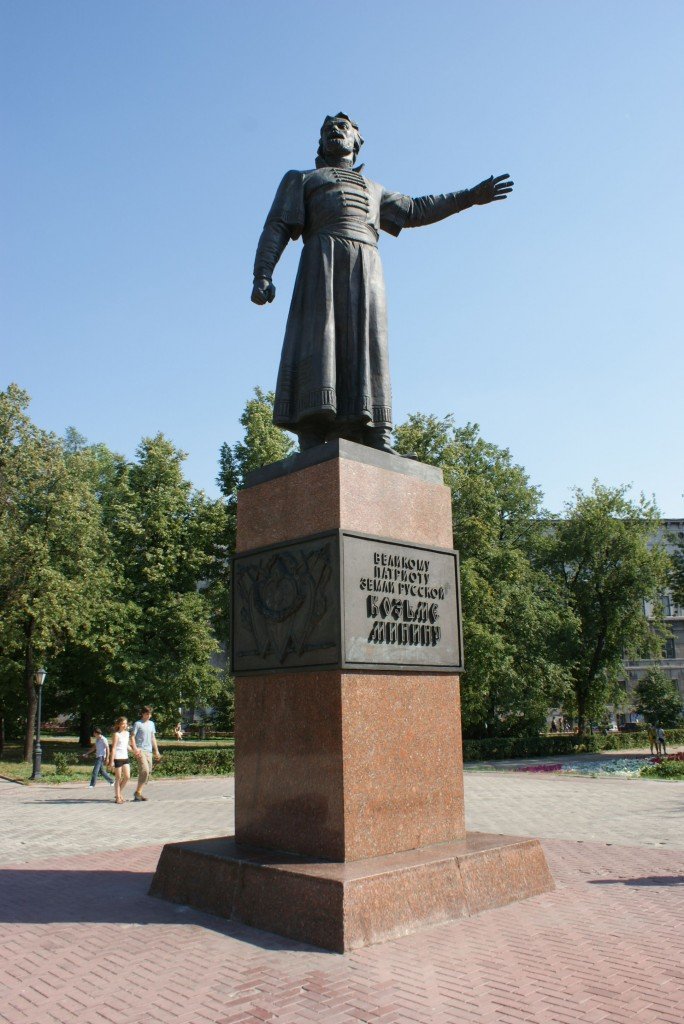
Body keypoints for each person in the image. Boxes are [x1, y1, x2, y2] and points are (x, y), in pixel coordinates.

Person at [252, 113, 513, 453]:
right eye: (327, 128)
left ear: (356, 142)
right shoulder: (302, 179)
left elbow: (417, 209)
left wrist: (469, 197)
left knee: (370, 345)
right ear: (320, 142)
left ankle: (377, 433)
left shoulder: (374, 189)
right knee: (319, 341)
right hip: (322, 263)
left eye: (343, 127)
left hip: (367, 269)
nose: (334, 130)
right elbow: (277, 226)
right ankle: (313, 432)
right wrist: (263, 273)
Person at [131, 706, 161, 802]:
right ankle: (138, 793)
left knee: (148, 771)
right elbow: (132, 737)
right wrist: (135, 748)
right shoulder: (138, 724)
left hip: (149, 751)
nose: (149, 716)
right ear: (142, 714)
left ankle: (138, 793)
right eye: (147, 714)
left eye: (150, 714)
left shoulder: (151, 724)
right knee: (145, 770)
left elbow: (153, 737)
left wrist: (156, 751)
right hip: (140, 750)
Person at [108, 717, 133, 805]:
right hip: (118, 758)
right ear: (119, 724)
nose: (124, 725)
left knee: (127, 776)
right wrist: (111, 761)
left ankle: (118, 793)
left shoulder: (127, 733)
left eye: (126, 723)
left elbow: (126, 745)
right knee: (118, 778)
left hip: (125, 757)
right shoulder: (116, 734)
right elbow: (114, 748)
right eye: (123, 723)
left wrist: (135, 751)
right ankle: (118, 797)